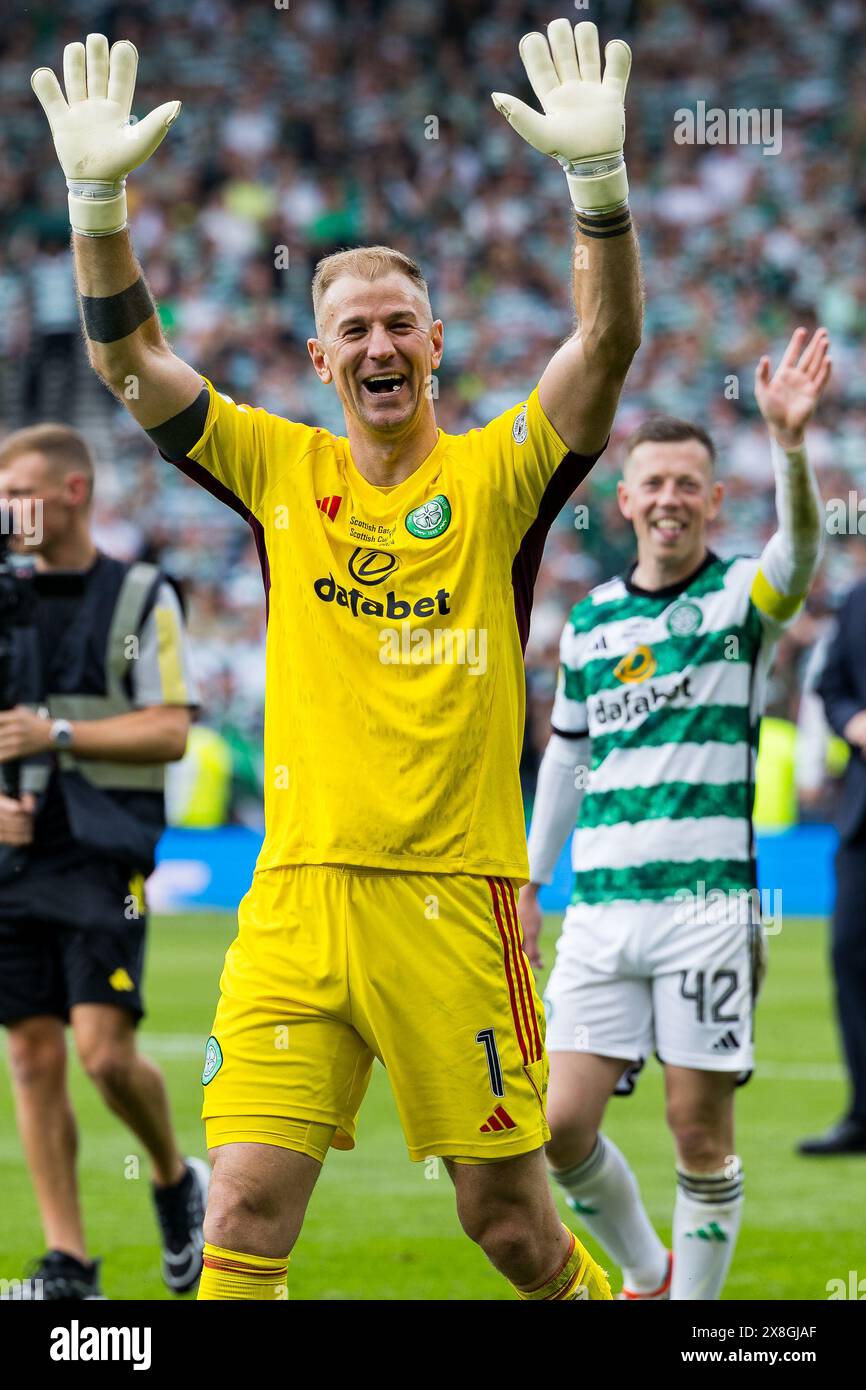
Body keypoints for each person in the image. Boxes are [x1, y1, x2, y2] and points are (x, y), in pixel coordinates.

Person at [32, 20, 642, 1301]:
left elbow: (601, 357)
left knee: (509, 1229)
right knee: (246, 1204)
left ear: (436, 348)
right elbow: (127, 362)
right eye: (352, 329)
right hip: (299, 897)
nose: (377, 347)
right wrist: (100, 207)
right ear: (318, 360)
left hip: (452, 905)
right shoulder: (277, 467)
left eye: (399, 326)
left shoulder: (497, 476)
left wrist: (597, 196)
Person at [519, 328, 829, 1299]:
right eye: (649, 482)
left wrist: (786, 444)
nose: (666, 498)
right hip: (600, 913)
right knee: (559, 1128)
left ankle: (692, 1317)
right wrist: (530, 880)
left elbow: (800, 549)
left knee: (696, 1131)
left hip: (704, 910)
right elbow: (566, 759)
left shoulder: (743, 599)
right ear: (623, 499)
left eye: (685, 483)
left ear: (710, 498)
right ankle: (648, 1275)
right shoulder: (590, 620)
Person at [0, 424, 207, 1299]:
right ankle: (69, 1264)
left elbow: (170, 728)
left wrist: (60, 735)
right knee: (34, 1058)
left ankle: (174, 1176)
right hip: (12, 861)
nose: (8, 515)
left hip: (100, 853)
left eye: (21, 495)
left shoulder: (143, 596)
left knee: (103, 1054)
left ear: (73, 491)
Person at [797, 579, 866, 1155]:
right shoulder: (860, 596)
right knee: (850, 953)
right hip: (862, 816)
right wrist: (852, 722)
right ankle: (863, 1112)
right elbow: (830, 683)